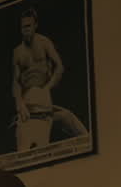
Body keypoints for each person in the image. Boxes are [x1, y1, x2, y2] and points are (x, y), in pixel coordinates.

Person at [12, 8, 89, 152]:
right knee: (26, 146)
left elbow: (59, 67)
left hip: (44, 98)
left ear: (35, 26)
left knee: (68, 118)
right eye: (23, 27)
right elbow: (15, 81)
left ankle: (91, 143)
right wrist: (19, 103)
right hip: (28, 102)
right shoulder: (17, 52)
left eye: (28, 26)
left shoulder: (44, 43)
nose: (25, 30)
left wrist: (47, 87)